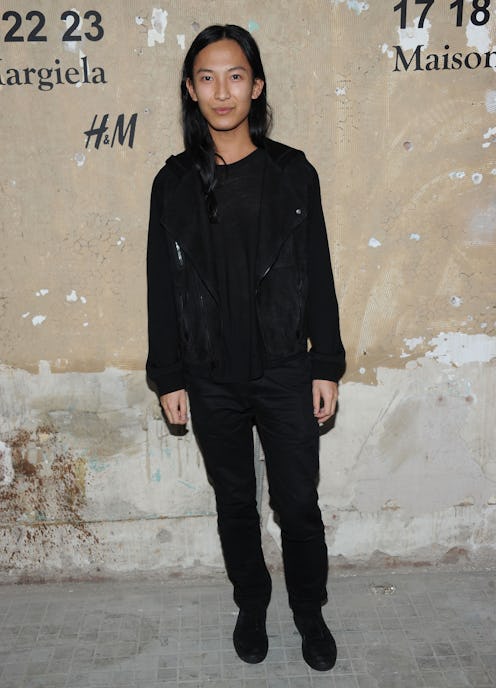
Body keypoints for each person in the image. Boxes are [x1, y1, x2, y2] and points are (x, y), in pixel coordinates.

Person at [146, 24, 345, 672]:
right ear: (191, 89)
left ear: (256, 86)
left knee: (298, 505)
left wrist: (325, 362)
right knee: (235, 503)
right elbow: (160, 283)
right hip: (208, 374)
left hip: (285, 367)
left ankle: (309, 611)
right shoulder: (174, 182)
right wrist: (169, 375)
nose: (222, 91)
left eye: (235, 76)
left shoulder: (293, 173)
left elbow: (318, 270)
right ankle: (252, 605)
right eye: (207, 77)